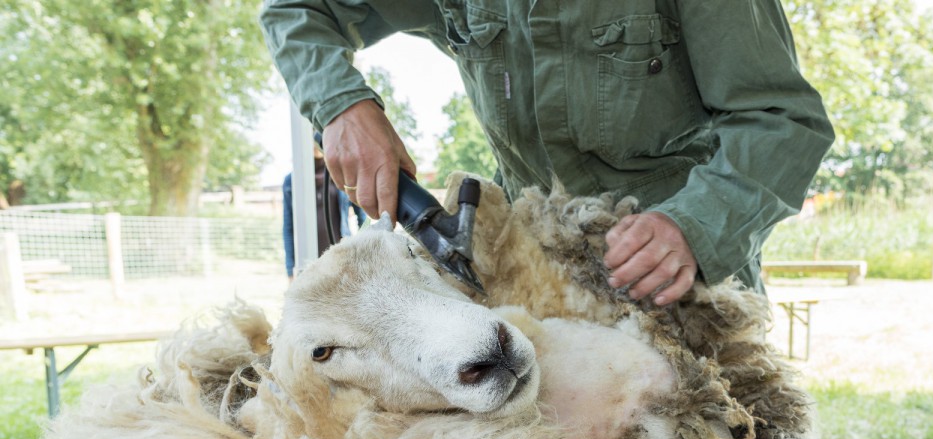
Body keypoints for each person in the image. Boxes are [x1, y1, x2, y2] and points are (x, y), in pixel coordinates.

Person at [261, 1, 834, 304]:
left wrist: (694, 227)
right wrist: (341, 106)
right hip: (531, 290)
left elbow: (783, 120)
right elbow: (298, 8)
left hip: (675, 288)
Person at [283, 142, 368, 279]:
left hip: (341, 257)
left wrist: (364, 253)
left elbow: (363, 217)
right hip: (307, 261)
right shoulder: (292, 180)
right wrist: (289, 269)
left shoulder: (343, 174)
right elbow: (288, 227)